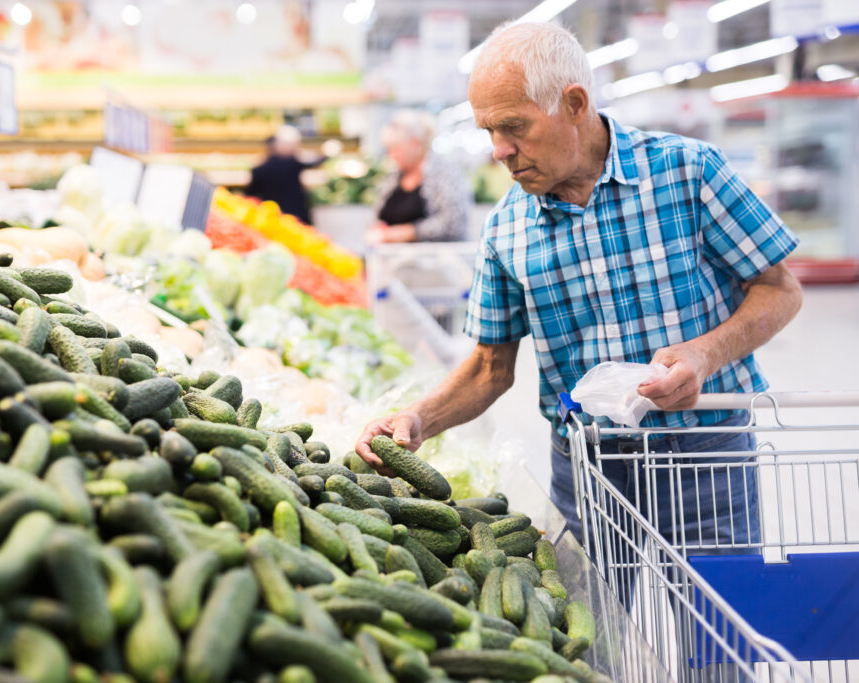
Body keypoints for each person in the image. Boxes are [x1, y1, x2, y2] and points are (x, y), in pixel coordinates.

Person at [355, 22, 802, 549]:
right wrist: (416, 420)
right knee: (594, 627)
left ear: (573, 104)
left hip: (705, 454)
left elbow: (779, 288)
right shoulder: (506, 229)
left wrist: (704, 354)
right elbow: (488, 369)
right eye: (489, 132)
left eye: (513, 126)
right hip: (589, 468)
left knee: (714, 622)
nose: (500, 150)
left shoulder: (688, 172)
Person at [367, 110, 471, 244]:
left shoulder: (446, 174)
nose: (391, 154)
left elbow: (453, 223)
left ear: (415, 144)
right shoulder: (392, 177)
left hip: (436, 262)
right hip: (392, 261)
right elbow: (375, 214)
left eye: (396, 148)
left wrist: (409, 232)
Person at [245, 125, 333, 226]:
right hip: (295, 217)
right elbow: (314, 162)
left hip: (271, 218)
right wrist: (327, 153)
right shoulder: (293, 164)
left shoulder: (258, 169)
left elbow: (250, 196)